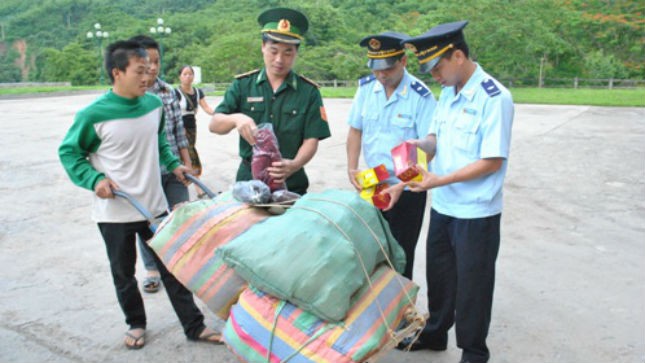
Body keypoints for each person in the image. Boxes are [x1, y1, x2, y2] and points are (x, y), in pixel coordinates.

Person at [58, 40, 222, 349]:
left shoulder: (153, 105)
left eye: (149, 70)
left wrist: (174, 164)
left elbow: (159, 142)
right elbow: (69, 154)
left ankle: (194, 326)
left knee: (173, 270)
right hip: (115, 211)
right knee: (123, 273)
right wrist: (94, 180)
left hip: (154, 206)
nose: (147, 78)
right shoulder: (93, 115)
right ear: (117, 72)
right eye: (139, 71)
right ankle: (135, 323)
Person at [386, 21, 514, 363]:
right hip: (444, 206)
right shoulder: (448, 94)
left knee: (473, 286)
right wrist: (414, 154)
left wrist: (436, 181)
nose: (434, 76)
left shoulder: (494, 97)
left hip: (476, 212)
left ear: (458, 55)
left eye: (437, 67)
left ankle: (473, 351)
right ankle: (436, 333)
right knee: (439, 276)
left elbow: (491, 161)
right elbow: (435, 141)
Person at [209, 7, 331, 195]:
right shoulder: (243, 85)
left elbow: (311, 139)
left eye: (288, 53)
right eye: (273, 51)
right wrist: (237, 119)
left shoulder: (308, 92)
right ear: (262, 47)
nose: (279, 59)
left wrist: (294, 164)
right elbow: (215, 125)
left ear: (296, 53)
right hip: (249, 183)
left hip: (291, 182)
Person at [346, 32, 436, 280]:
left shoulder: (421, 96)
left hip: (407, 188)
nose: (382, 75)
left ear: (403, 61)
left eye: (388, 68)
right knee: (369, 251)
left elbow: (429, 150)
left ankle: (402, 312)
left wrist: (403, 185)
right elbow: (355, 131)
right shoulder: (366, 89)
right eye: (376, 69)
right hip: (374, 180)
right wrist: (352, 168)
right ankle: (374, 311)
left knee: (401, 254)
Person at [129, 35, 192, 294]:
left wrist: (187, 164)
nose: (153, 67)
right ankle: (153, 268)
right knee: (150, 222)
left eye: (156, 61)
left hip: (172, 168)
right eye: (147, 62)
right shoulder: (130, 95)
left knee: (181, 216)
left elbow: (178, 133)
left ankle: (181, 267)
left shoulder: (168, 92)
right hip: (145, 174)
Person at [175, 65, 215, 198]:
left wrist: (222, 114)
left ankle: (185, 181)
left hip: (192, 127)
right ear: (180, 76)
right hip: (180, 128)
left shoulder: (198, 92)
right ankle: (198, 188)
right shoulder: (175, 92)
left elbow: (207, 108)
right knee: (190, 154)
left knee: (187, 154)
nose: (188, 77)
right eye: (185, 74)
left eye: (190, 74)